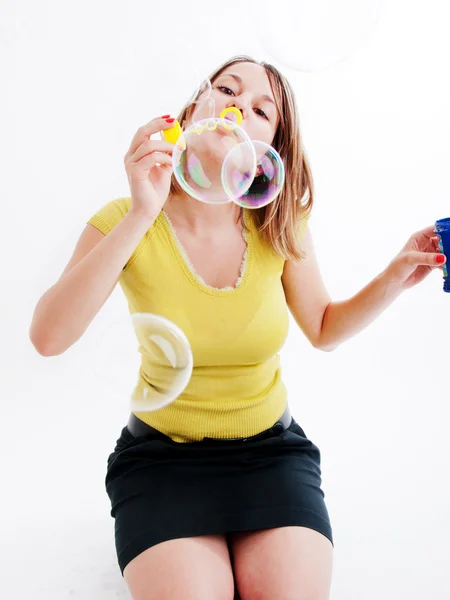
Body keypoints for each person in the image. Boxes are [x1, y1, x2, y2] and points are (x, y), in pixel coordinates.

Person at [29, 55, 446, 600]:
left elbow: (323, 328)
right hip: (162, 461)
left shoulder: (279, 223)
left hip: (271, 455)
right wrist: (140, 212)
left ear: (270, 149)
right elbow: (48, 338)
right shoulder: (125, 219)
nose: (236, 106)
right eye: (226, 89)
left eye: (259, 110)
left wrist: (397, 273)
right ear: (190, 110)